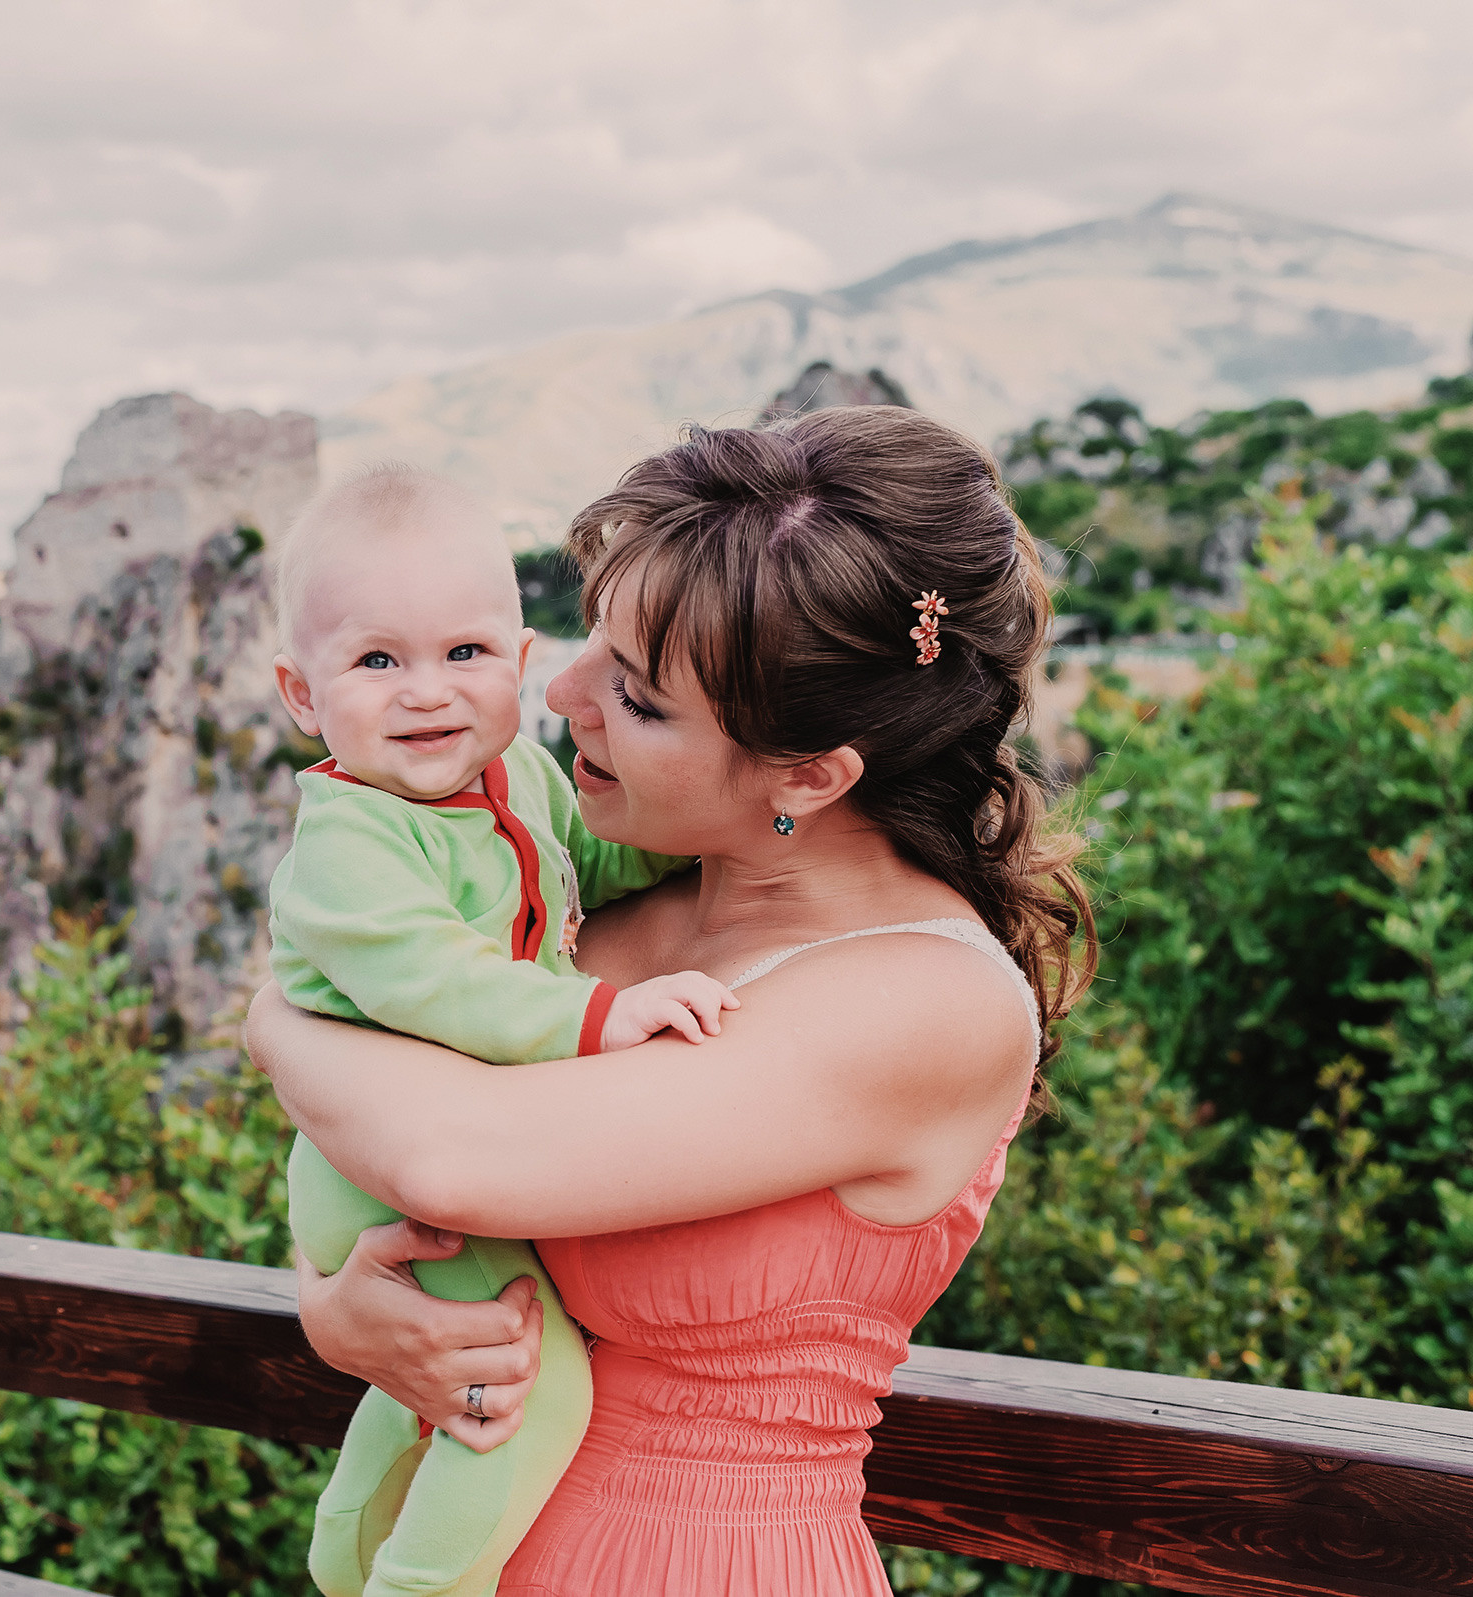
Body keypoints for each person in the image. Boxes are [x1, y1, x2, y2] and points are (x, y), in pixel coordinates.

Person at [248, 405, 1091, 1595]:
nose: (565, 696)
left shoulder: (926, 1000)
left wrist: (274, 1018)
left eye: (639, 699)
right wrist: (342, 1308)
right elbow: (402, 1161)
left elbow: (446, 1154)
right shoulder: (618, 916)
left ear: (808, 772)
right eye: (590, 640)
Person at [267, 464, 738, 1597]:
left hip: (434, 1146)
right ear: (300, 694)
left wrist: (719, 837)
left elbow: (600, 866)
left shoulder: (518, 776)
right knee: (534, 1388)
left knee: (432, 1370)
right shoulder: (350, 839)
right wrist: (600, 1012)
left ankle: (346, 1544)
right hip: (372, 1168)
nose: (426, 692)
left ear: (520, 664)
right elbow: (444, 981)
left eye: (464, 654)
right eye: (377, 660)